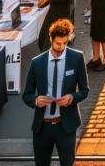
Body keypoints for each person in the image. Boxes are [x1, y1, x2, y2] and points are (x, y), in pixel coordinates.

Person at [23, 19, 90, 166]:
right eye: (59, 43)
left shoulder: (76, 58)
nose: (62, 47)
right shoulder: (37, 62)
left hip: (65, 126)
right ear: (51, 39)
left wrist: (72, 97)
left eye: (65, 43)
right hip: (43, 127)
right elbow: (26, 94)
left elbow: (85, 90)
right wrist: (36, 101)